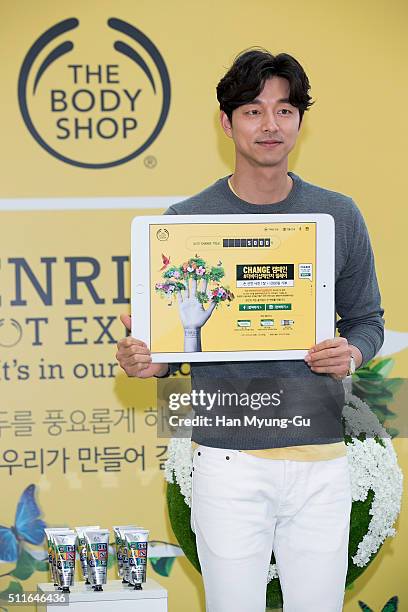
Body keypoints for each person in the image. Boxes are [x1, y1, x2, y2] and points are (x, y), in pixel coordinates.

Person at [116, 49, 384, 612]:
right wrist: (148, 359)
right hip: (228, 460)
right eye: (253, 110)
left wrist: (352, 353)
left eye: (284, 110)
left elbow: (367, 322)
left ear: (300, 122)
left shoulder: (338, 214)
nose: (270, 125)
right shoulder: (184, 223)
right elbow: (168, 354)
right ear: (226, 121)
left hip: (321, 460)